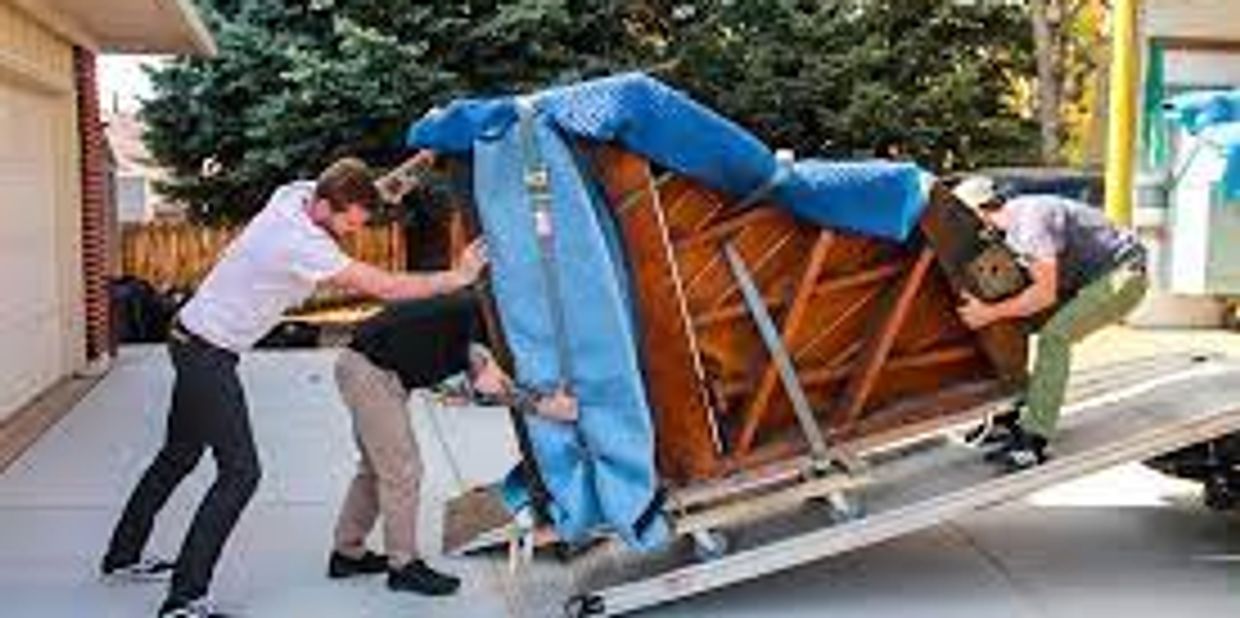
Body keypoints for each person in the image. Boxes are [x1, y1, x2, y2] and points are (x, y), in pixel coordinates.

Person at [100, 155, 487, 618]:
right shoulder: (299, 243)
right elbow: (384, 286)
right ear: (325, 209)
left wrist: (421, 162)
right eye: (349, 224)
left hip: (192, 338)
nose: (352, 233)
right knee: (240, 474)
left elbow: (373, 191)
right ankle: (183, 600)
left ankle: (122, 556)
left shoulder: (296, 195)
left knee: (179, 454)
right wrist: (459, 277)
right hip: (207, 354)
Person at [326, 293, 576, 596]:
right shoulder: (484, 317)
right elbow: (488, 384)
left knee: (374, 469)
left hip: (366, 366)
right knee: (403, 471)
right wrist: (547, 407)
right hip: (372, 374)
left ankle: (347, 554)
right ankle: (403, 567)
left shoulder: (481, 303)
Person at [952, 176, 1148, 470]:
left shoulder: (1030, 221)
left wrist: (989, 313)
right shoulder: (1009, 227)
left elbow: (1043, 296)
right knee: (1012, 323)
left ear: (979, 211)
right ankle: (1015, 413)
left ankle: (1035, 438)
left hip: (1123, 277)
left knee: (1055, 336)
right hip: (1085, 281)